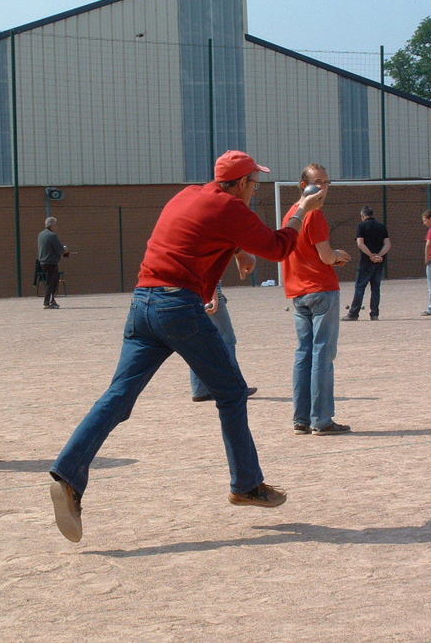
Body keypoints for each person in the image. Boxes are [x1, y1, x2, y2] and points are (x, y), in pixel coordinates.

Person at [48, 150, 320, 542]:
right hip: (177, 306)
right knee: (231, 392)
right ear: (242, 184)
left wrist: (237, 250)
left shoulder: (188, 194)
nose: (255, 192)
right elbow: (279, 248)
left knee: (118, 396)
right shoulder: (232, 208)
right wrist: (302, 210)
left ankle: (68, 475)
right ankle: (246, 484)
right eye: (254, 184)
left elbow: (198, 231)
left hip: (143, 303)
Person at [282, 163, 352, 436]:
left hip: (298, 292)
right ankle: (321, 420)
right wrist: (338, 256)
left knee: (304, 354)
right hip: (321, 290)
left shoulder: (292, 215)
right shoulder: (315, 215)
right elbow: (325, 256)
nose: (323, 187)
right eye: (318, 182)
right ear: (304, 185)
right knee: (322, 355)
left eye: (326, 182)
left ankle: (301, 419)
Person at [189, 281, 257, 403]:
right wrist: (214, 296)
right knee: (227, 341)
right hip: (208, 291)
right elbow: (208, 271)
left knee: (200, 343)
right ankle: (236, 387)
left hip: (191, 292)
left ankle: (199, 389)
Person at [342, 206, 390, 321]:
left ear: (363, 216)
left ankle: (354, 314)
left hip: (365, 262)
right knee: (376, 288)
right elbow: (388, 244)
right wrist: (379, 255)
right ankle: (374, 314)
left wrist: (371, 255)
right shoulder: (381, 226)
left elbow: (360, 243)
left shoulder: (361, 226)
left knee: (360, 287)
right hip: (379, 262)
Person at [38, 217, 69, 309]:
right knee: (52, 282)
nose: (56, 226)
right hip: (51, 262)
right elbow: (59, 249)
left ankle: (51, 301)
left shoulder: (41, 234)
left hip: (42, 262)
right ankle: (48, 302)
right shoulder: (52, 235)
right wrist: (65, 249)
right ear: (51, 225)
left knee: (50, 281)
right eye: (55, 224)